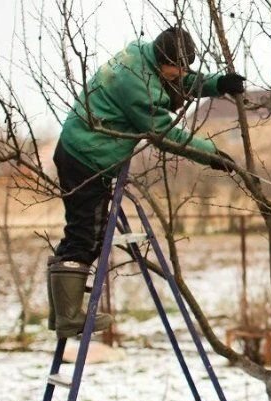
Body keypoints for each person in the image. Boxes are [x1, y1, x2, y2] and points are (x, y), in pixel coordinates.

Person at [47, 26, 245, 339]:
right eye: (177, 68)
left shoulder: (144, 55)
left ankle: (60, 313)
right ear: (162, 59)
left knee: (80, 232)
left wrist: (217, 83)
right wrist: (211, 155)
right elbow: (165, 134)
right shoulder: (137, 85)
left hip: (83, 151)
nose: (181, 74)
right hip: (86, 157)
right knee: (86, 236)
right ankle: (69, 317)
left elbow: (177, 82)